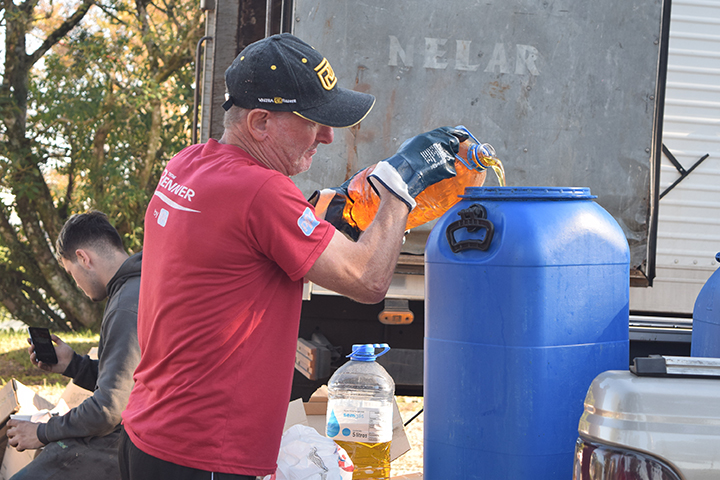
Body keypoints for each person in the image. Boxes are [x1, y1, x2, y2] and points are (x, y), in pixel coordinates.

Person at [119, 33, 466, 480]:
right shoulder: (261, 192)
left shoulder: (187, 166)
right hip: (206, 454)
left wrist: (321, 212)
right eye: (313, 120)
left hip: (151, 432)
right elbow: (367, 281)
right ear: (261, 122)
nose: (326, 136)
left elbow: (240, 241)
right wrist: (401, 188)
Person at [6, 211, 142, 480]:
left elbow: (109, 408)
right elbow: (131, 383)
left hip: (145, 443)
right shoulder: (139, 286)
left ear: (83, 258)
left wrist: (42, 431)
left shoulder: (126, 305)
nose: (76, 284)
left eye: (71, 272)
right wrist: (73, 364)